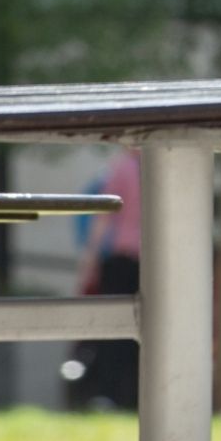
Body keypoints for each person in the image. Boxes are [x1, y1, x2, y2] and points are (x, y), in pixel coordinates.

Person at [64, 148, 145, 410]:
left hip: (121, 258)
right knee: (143, 331)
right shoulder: (162, 167)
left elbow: (104, 215)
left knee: (115, 328)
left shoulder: (122, 167)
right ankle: (135, 393)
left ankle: (111, 394)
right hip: (150, 260)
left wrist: (90, 259)